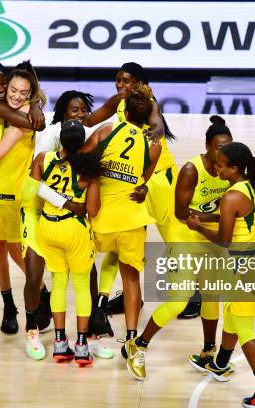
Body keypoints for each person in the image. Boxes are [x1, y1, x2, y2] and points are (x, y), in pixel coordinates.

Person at [84, 62, 199, 324]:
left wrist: (151, 130)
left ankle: (193, 293)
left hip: (158, 177)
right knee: (128, 237)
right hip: (132, 176)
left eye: (126, 81)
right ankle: (131, 293)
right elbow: (90, 120)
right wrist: (70, 118)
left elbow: (157, 126)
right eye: (118, 80)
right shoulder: (118, 101)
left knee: (173, 235)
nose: (120, 85)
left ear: (140, 84)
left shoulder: (149, 104)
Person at [123, 115, 233, 381]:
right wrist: (220, 217)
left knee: (211, 298)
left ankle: (208, 351)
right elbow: (182, 212)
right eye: (219, 146)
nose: (224, 150)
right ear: (207, 145)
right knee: (178, 301)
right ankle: (138, 344)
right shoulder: (191, 170)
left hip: (210, 240)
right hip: (185, 238)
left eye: (228, 145)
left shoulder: (231, 169)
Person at [180, 142, 255, 407]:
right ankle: (221, 364)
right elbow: (234, 217)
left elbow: (224, 240)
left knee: (244, 325)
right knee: (232, 312)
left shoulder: (230, 196)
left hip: (247, 264)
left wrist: (198, 226)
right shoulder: (248, 184)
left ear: (234, 168)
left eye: (220, 164)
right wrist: (206, 216)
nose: (215, 167)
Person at [82, 83, 161, 358]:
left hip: (100, 216)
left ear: (124, 112)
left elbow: (83, 160)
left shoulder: (106, 130)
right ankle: (130, 337)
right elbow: (143, 179)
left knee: (85, 269)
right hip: (131, 218)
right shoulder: (154, 145)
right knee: (131, 279)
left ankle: (91, 321)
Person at [0, 61, 47, 335]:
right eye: (10, 88)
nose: (12, 94)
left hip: (16, 193)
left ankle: (41, 294)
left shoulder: (27, 115)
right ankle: (8, 304)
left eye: (21, 91)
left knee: (18, 251)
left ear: (30, 94)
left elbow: (1, 150)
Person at [29, 120, 102, 365]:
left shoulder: (42, 159)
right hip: (75, 230)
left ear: (60, 140)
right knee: (82, 286)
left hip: (48, 227)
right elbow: (92, 209)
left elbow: (31, 189)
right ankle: (81, 345)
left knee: (58, 283)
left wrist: (56, 198)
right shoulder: (89, 169)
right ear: (82, 142)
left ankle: (60, 343)